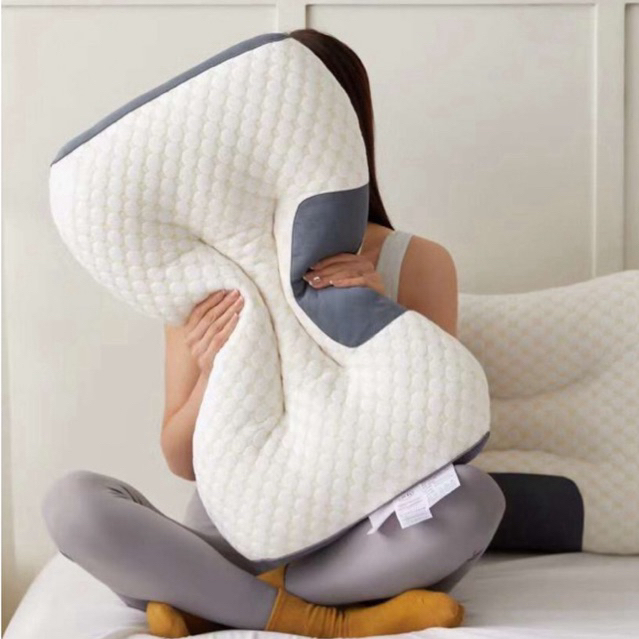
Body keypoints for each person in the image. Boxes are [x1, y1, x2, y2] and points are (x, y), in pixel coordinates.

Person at [41, 28, 506, 638]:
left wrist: (377, 311)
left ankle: (210, 599)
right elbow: (181, 460)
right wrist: (211, 369)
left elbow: (442, 432)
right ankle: (317, 618)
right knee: (73, 503)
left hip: (359, 536)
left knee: (474, 498)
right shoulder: (198, 280)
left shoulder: (415, 260)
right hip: (235, 533)